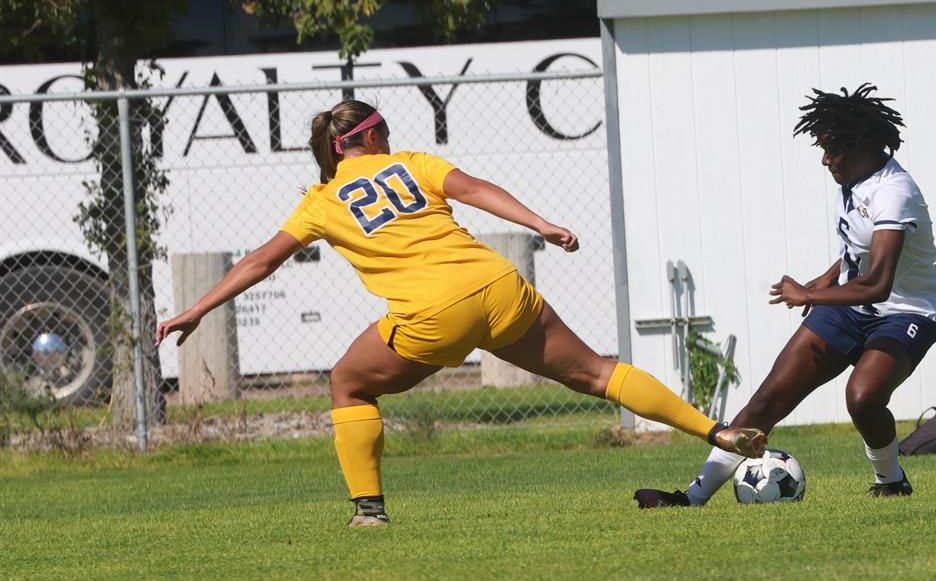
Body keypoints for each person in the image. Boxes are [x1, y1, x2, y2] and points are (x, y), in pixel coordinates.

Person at [155, 99, 766, 527]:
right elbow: (475, 190)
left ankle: (369, 511)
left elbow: (260, 261)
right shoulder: (414, 164)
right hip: (498, 286)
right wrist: (542, 225)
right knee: (598, 373)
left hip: (432, 314)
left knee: (347, 383)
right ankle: (716, 432)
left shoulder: (320, 201)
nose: (389, 136)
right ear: (368, 137)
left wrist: (197, 310)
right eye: (383, 128)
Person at [634, 84, 936, 508]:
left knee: (862, 397)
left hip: (907, 313)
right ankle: (690, 498)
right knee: (768, 399)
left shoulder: (895, 192)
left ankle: (891, 480)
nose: (824, 159)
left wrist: (808, 294)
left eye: (831, 149)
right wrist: (824, 280)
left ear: (861, 145)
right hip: (852, 307)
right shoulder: (853, 180)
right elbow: (857, 253)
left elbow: (878, 283)